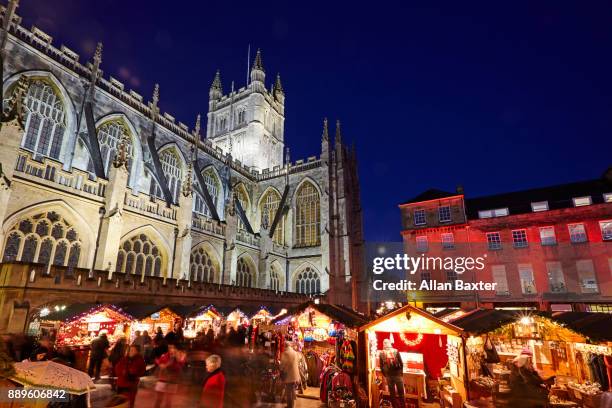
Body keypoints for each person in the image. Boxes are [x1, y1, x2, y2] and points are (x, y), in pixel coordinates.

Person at [154, 343, 186, 408]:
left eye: (173, 348)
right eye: (169, 348)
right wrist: (160, 364)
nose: (171, 349)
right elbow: (158, 361)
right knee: (159, 399)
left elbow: (180, 365)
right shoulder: (165, 355)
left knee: (168, 401)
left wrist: (176, 357)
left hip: (172, 380)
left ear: (176, 349)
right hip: (163, 379)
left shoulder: (181, 355)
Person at [378, 338, 405, 408]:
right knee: (401, 393)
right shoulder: (396, 351)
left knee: (392, 394)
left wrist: (385, 374)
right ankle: (403, 406)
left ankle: (395, 406)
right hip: (398, 375)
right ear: (390, 343)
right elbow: (401, 363)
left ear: (383, 344)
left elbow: (381, 366)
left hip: (389, 376)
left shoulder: (381, 353)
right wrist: (401, 373)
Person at [280, 341, 300, 408]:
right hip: (295, 375)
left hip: (289, 375)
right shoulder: (295, 353)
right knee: (292, 390)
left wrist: (280, 369)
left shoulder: (285, 353)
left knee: (289, 391)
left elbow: (282, 364)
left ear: (285, 346)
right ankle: (292, 405)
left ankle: (289, 406)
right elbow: (298, 363)